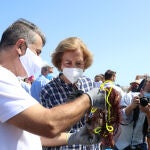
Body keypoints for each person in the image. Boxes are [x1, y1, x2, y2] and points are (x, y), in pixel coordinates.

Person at [0, 18, 105, 150]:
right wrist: (88, 99)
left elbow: (33, 131)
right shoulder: (2, 79)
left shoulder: (12, 81)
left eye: (78, 63)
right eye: (37, 52)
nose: (39, 60)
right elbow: (48, 124)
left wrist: (72, 137)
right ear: (21, 46)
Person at [40, 37, 101, 150]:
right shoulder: (49, 91)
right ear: (60, 63)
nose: (73, 68)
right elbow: (45, 135)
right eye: (68, 63)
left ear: (85, 64)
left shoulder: (90, 84)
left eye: (78, 63)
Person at [114, 78, 150, 150]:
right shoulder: (129, 97)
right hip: (122, 144)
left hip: (140, 144)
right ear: (141, 90)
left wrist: (148, 112)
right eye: (149, 91)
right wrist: (131, 107)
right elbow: (119, 117)